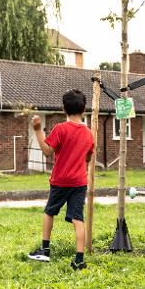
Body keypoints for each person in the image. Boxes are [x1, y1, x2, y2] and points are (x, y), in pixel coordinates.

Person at [28, 89, 94, 270]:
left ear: (63, 108)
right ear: (84, 109)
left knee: (50, 212)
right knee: (77, 218)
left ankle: (45, 249)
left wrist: (37, 131)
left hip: (60, 181)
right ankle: (79, 260)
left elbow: (47, 152)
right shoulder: (88, 133)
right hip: (80, 182)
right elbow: (88, 158)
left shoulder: (60, 129)